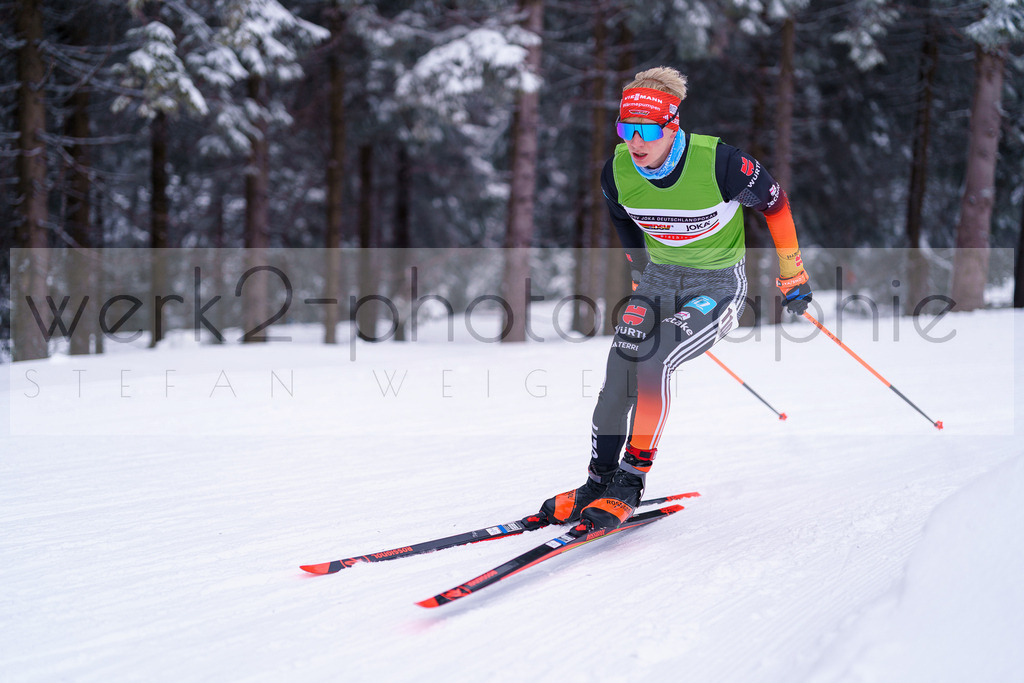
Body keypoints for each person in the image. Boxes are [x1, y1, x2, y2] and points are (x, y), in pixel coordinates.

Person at [539, 66, 812, 530]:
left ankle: (630, 481)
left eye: (646, 130)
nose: (635, 143)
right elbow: (623, 219)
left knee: (653, 360)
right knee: (619, 370)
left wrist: (793, 273)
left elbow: (776, 203)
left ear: (671, 127)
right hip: (659, 281)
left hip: (717, 287)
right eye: (626, 130)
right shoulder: (618, 171)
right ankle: (597, 481)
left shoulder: (721, 164)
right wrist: (639, 272)